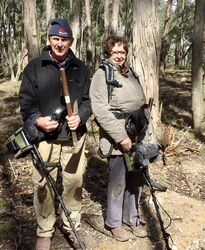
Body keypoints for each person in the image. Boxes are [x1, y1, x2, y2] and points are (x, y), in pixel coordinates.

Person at [19, 19, 91, 250]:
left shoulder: (80, 67)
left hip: (73, 136)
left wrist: (81, 116)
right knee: (42, 184)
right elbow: (26, 102)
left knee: (74, 182)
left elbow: (90, 101)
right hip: (44, 137)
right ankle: (45, 230)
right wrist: (37, 119)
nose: (60, 44)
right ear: (49, 39)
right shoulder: (34, 67)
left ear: (71, 41)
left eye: (64, 39)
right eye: (56, 39)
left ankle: (72, 225)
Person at [89, 35, 148, 242]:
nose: (119, 55)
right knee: (118, 180)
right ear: (108, 53)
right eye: (115, 52)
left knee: (135, 179)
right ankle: (114, 223)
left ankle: (131, 218)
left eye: (122, 51)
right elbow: (99, 110)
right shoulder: (101, 75)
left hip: (136, 135)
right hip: (117, 138)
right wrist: (121, 137)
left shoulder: (130, 73)